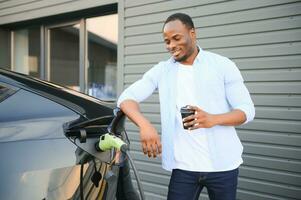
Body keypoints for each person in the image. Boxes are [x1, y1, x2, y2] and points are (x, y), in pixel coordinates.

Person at [117, 13, 255, 200]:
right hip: (184, 168)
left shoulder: (222, 65)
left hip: (223, 166)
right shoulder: (162, 70)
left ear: (192, 33)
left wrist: (213, 119)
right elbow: (127, 98)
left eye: (176, 38)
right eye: (167, 41)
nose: (171, 45)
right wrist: (145, 126)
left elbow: (247, 110)